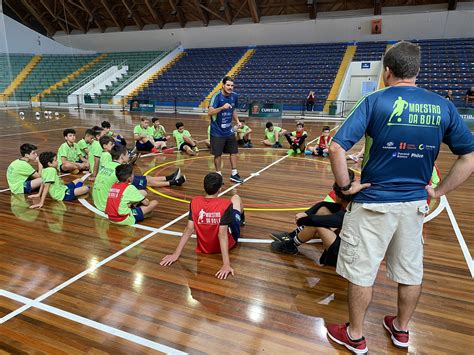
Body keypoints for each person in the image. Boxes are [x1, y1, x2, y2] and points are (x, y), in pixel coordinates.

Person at [326, 41, 474, 354]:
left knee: (362, 273)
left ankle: (355, 335)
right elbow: (469, 157)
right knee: (410, 272)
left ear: (388, 71)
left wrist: (345, 186)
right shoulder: (443, 106)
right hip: (414, 205)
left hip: (373, 203)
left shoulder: (374, 100)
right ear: (417, 72)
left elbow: (336, 147)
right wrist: (438, 190)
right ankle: (401, 330)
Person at [160, 172, 244, 279]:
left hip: (204, 249)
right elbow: (222, 235)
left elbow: (189, 229)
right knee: (236, 198)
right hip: (228, 244)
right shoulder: (226, 204)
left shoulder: (194, 202)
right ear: (220, 189)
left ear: (204, 187)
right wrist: (226, 264)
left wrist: (176, 254)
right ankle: (242, 219)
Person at [270, 170, 355, 263]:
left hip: (346, 254)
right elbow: (323, 204)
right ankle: (292, 236)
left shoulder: (348, 213)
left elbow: (318, 220)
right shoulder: (349, 203)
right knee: (323, 211)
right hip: (346, 244)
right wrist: (306, 213)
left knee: (316, 224)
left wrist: (303, 220)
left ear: (340, 196)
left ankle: (290, 245)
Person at [92, 145, 185, 212]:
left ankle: (169, 177)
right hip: (106, 204)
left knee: (146, 178)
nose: (129, 155)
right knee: (144, 188)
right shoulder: (119, 170)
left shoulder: (109, 165)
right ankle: (173, 182)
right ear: (122, 156)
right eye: (127, 154)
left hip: (98, 201)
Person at [208, 76, 244, 183]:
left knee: (233, 151)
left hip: (229, 130)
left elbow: (233, 110)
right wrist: (222, 108)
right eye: (228, 85)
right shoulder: (216, 97)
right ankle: (218, 175)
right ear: (223, 85)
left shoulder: (234, 96)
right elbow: (209, 112)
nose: (230, 87)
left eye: (232, 85)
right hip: (217, 132)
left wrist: (237, 121)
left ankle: (234, 174)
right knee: (218, 154)